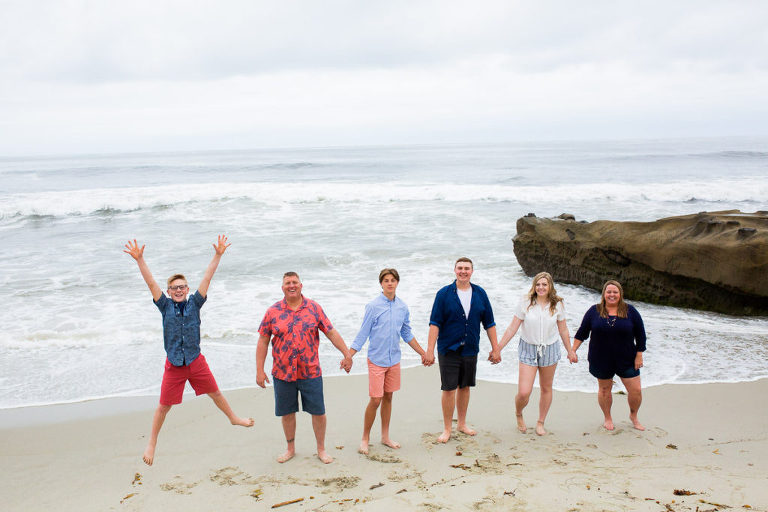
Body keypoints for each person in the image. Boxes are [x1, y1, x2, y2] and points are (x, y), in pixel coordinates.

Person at [124, 236, 254, 466]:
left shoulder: (195, 303)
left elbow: (207, 277)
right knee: (164, 407)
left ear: (187, 289)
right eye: (174, 288)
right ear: (169, 291)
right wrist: (140, 260)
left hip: (195, 361)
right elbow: (151, 283)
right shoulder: (164, 306)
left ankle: (233, 418)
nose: (178, 290)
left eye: (182, 286)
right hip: (174, 364)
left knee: (215, 393)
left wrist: (218, 255)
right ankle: (152, 443)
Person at [255, 272, 353, 464]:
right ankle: (290, 448)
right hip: (283, 372)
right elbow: (263, 341)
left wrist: (346, 354)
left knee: (318, 412)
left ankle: (321, 449)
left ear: (301, 285)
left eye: (294, 282)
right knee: (287, 413)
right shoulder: (272, 311)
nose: (291, 286)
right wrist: (259, 370)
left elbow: (331, 332)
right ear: (282, 287)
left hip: (310, 371)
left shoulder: (314, 308)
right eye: (287, 283)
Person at [350, 268, 431, 455]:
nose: (389, 283)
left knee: (388, 397)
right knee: (376, 399)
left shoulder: (402, 307)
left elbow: (407, 333)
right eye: (386, 280)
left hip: (394, 360)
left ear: (397, 283)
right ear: (381, 284)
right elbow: (363, 333)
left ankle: (385, 436)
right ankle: (365, 438)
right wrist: (349, 355)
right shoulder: (373, 306)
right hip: (376, 360)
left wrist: (423, 353)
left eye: (393, 280)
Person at [491, 272, 576, 436]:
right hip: (528, 348)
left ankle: (540, 422)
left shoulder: (557, 304)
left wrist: (570, 350)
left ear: (550, 286)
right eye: (538, 284)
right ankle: (518, 413)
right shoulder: (526, 301)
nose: (541, 287)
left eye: (544, 284)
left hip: (550, 349)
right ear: (534, 286)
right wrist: (498, 348)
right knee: (524, 392)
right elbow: (512, 328)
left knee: (546, 388)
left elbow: (563, 329)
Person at [426, 257, 500, 443]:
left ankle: (462, 423)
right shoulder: (443, 294)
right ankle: (447, 428)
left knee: (465, 387)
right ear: (454, 270)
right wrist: (429, 350)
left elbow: (489, 323)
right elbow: (434, 324)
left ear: (472, 271)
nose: (463, 271)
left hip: (470, 348)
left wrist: (495, 348)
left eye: (467, 268)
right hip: (448, 348)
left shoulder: (480, 293)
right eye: (460, 268)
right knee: (449, 388)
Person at [572, 280, 647, 431]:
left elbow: (641, 335)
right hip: (601, 358)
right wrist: (573, 350)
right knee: (605, 390)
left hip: (626, 358)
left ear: (620, 294)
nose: (612, 295)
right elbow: (582, 333)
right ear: (604, 294)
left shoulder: (630, 311)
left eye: (615, 292)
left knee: (636, 390)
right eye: (609, 292)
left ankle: (633, 415)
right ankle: (608, 417)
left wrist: (639, 354)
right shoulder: (594, 311)